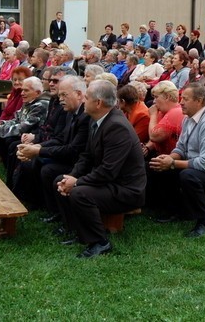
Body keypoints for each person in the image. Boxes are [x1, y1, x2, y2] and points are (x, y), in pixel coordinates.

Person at [54, 80, 146, 258]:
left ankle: (100, 242)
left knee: (79, 193)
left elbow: (108, 171)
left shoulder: (117, 127)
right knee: (60, 180)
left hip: (126, 189)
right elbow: (87, 156)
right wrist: (71, 177)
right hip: (110, 181)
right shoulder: (96, 119)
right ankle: (78, 231)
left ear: (98, 103)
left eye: (86, 98)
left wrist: (77, 182)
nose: (83, 101)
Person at [149, 83, 205, 237]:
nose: (181, 102)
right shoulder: (188, 119)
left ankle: (204, 222)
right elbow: (181, 148)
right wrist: (168, 159)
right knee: (159, 166)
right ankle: (176, 210)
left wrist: (173, 163)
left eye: (185, 99)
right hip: (204, 171)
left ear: (199, 101)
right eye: (181, 98)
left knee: (187, 175)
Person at [15, 76, 90, 218]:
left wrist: (38, 150)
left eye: (64, 95)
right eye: (59, 95)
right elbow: (61, 139)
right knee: (34, 161)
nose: (60, 99)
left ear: (79, 94)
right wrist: (37, 145)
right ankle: (38, 202)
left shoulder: (85, 116)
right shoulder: (71, 111)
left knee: (48, 169)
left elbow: (73, 150)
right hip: (71, 157)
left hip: (80, 163)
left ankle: (57, 211)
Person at [144, 81, 185, 159]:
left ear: (167, 97)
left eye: (156, 97)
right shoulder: (163, 112)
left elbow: (154, 136)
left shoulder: (176, 112)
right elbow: (156, 139)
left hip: (171, 161)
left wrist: (153, 115)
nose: (154, 101)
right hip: (161, 157)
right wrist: (148, 147)